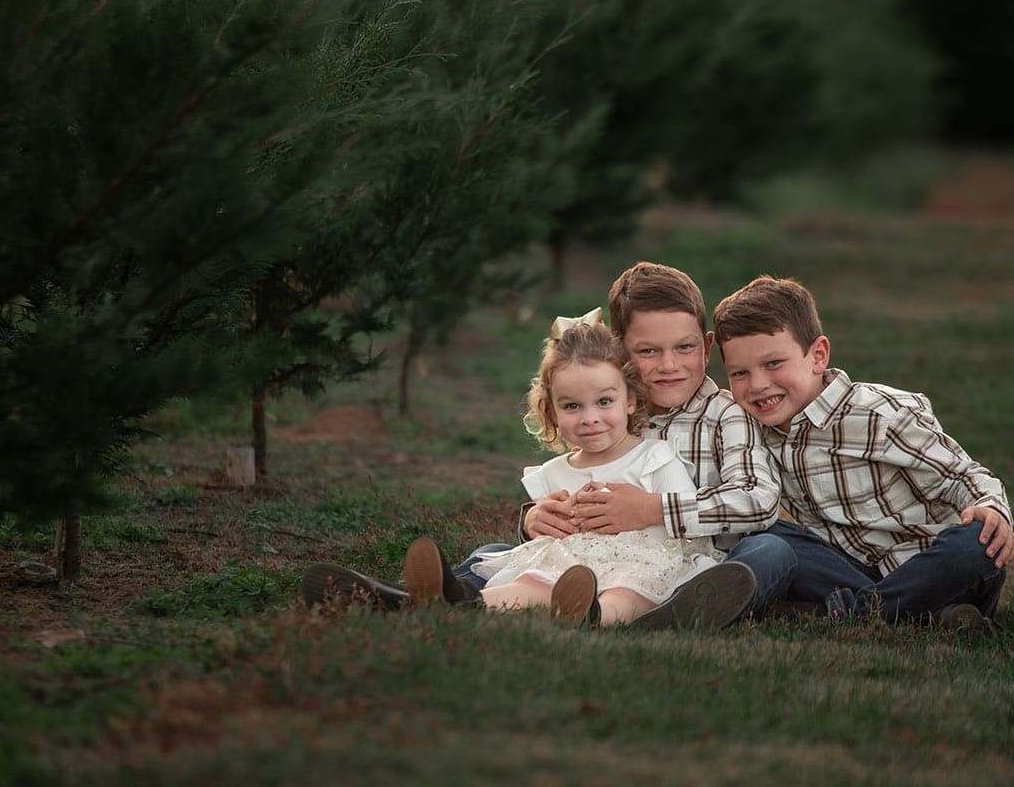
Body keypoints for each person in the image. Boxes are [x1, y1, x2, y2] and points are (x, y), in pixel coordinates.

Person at [303, 262, 795, 629]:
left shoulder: (727, 415)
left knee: (770, 551)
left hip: (692, 556)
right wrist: (537, 518)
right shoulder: (605, 407)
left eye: (684, 348)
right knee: (497, 551)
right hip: (592, 556)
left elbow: (758, 500)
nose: (669, 365)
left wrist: (653, 510)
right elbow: (576, 482)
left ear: (705, 347)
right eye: (648, 351)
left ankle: (671, 612)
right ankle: (422, 596)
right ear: (621, 352)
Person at [711, 275, 1014, 630]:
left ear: (818, 356)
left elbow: (962, 477)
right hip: (850, 571)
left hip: (935, 568)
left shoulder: (880, 414)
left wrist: (991, 508)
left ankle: (857, 614)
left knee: (974, 542)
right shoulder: (750, 429)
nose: (758, 385)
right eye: (739, 373)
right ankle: (918, 617)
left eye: (774, 364)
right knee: (763, 534)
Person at [403, 313, 748, 626]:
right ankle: (467, 603)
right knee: (533, 580)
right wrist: (554, 519)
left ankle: (593, 616)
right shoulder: (553, 472)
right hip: (571, 567)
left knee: (626, 592)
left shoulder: (655, 456)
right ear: (551, 412)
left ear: (630, 400)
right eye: (571, 406)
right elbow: (549, 528)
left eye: (604, 402)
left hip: (648, 562)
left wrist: (644, 509)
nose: (589, 418)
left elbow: (689, 523)